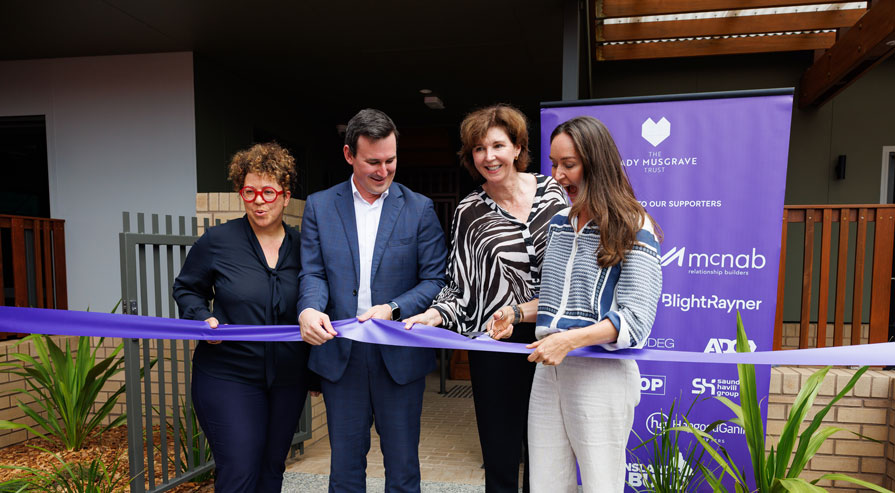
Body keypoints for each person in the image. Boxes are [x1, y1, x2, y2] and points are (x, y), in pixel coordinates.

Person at [488, 116, 663, 492]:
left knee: (601, 484)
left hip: (600, 374)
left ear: (596, 163)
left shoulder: (635, 225)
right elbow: (555, 302)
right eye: (553, 164)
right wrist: (516, 312)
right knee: (546, 484)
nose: (558, 175)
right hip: (549, 374)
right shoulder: (560, 224)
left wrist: (567, 341)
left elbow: (636, 319)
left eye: (569, 164)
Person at [403, 104, 567, 493]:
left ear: (517, 147)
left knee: (548, 456)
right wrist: (435, 315)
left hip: (554, 339)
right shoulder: (469, 211)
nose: (488, 156)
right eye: (478, 148)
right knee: (501, 455)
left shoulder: (555, 193)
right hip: (496, 344)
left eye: (497, 145)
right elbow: (459, 284)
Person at [298, 108, 447, 493]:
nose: (384, 171)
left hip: (399, 354)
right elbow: (313, 273)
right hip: (341, 353)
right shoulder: (319, 206)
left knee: (402, 469)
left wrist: (394, 308)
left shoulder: (419, 208)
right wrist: (310, 308)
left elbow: (436, 280)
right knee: (345, 471)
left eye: (391, 160)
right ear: (349, 155)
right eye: (373, 162)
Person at [173, 142, 310, 493]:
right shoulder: (217, 241)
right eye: (249, 192)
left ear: (286, 195)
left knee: (271, 470)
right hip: (227, 374)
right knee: (239, 469)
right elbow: (187, 289)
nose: (259, 201)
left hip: (287, 380)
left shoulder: (305, 246)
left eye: (268, 191)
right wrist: (201, 317)